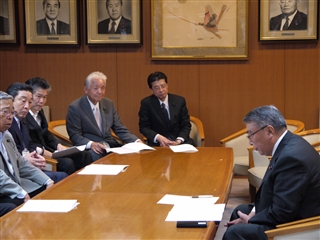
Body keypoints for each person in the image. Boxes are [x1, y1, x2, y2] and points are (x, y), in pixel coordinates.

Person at [222, 105, 320, 240]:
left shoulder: (292, 159)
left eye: (251, 135)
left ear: (269, 131)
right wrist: (253, 213)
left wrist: (251, 220)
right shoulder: (288, 144)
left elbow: (283, 213)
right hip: (290, 211)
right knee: (240, 211)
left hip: (297, 225)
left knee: (234, 232)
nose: (250, 142)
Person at [66, 71, 140, 161]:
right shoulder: (75, 107)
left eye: (103, 88)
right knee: (97, 157)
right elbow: (75, 135)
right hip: (91, 149)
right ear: (86, 89)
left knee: (132, 154)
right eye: (96, 88)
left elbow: (119, 128)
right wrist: (92, 144)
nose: (100, 92)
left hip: (110, 145)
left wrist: (136, 141)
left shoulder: (109, 104)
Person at [25, 77, 93, 175]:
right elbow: (28, 142)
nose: (42, 101)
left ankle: (86, 183)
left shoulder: (40, 111)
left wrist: (58, 145)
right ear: (29, 96)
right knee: (67, 163)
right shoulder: (23, 115)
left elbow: (45, 132)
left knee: (84, 155)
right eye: (38, 96)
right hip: (38, 153)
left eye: (45, 97)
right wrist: (45, 152)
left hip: (50, 149)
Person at [6, 82, 67, 183]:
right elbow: (8, 155)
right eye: (23, 101)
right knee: (61, 177)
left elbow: (29, 145)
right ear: (11, 101)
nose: (27, 106)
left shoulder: (23, 120)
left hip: (29, 167)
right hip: (16, 172)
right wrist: (25, 159)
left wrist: (36, 156)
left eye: (30, 102)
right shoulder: (7, 124)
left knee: (61, 176)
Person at [0, 91, 53, 199]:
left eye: (12, 112)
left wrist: (47, 180)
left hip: (16, 183)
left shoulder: (7, 136)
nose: (10, 116)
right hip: (4, 191)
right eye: (5, 112)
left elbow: (22, 163)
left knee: (49, 189)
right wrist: (21, 193)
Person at [139, 71, 194, 147]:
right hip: (159, 144)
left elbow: (186, 125)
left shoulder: (179, 101)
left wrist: (178, 141)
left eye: (163, 86)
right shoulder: (147, 103)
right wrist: (159, 138)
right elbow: (144, 127)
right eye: (156, 88)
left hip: (180, 144)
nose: (161, 90)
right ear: (151, 90)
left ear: (167, 85)